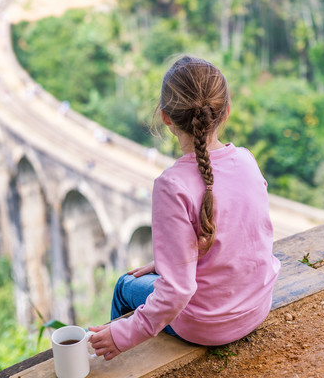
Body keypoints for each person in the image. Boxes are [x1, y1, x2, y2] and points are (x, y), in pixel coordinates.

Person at [89, 56, 281, 360]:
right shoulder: (246, 160)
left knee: (126, 285)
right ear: (226, 112)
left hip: (205, 326)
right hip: (256, 307)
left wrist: (123, 336)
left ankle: (117, 354)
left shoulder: (171, 185)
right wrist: (171, 261)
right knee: (151, 280)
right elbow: (243, 239)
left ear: (166, 118)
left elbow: (178, 291)